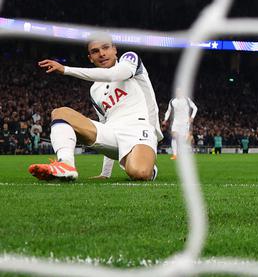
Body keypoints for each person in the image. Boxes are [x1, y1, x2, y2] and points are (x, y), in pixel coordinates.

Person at [28, 34, 160, 182]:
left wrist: (66, 69)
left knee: (139, 174)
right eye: (95, 51)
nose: (102, 54)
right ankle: (65, 165)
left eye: (106, 48)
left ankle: (147, 165)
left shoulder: (130, 60)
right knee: (60, 113)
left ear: (115, 49)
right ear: (90, 57)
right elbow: (104, 123)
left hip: (140, 129)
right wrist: (105, 173)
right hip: (111, 133)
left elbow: (114, 74)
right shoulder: (94, 90)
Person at [163, 95, 198, 160]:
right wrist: (165, 119)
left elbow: (195, 108)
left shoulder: (186, 99)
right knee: (174, 137)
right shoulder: (172, 101)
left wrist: (192, 117)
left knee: (184, 139)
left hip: (185, 122)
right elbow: (168, 111)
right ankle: (175, 155)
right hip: (176, 122)